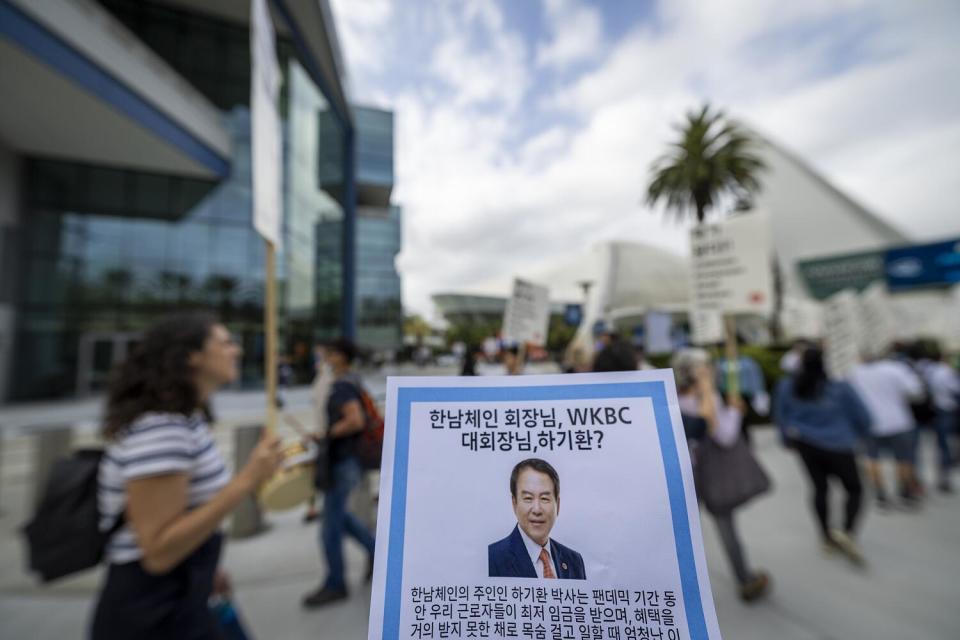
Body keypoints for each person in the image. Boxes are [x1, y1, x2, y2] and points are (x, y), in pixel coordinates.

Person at [92, 312, 283, 640]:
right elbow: (158, 551)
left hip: (186, 592)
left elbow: (182, 519)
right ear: (191, 356)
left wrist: (206, 568)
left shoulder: (185, 421)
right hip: (153, 613)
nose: (235, 350)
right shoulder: (163, 430)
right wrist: (247, 480)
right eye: (224, 342)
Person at [672, 348, 770, 602]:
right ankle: (744, 580)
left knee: (679, 533)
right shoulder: (707, 397)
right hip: (709, 471)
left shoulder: (671, 397)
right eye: (706, 366)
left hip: (682, 473)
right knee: (726, 528)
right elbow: (724, 436)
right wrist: (736, 411)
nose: (712, 369)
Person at [774, 347, 871, 565]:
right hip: (840, 445)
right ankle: (847, 531)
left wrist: (785, 440)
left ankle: (826, 536)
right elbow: (864, 417)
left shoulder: (787, 386)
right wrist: (859, 436)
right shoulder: (840, 387)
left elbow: (780, 416)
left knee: (820, 489)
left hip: (806, 444)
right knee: (854, 489)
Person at [303, 338, 376, 608]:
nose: (326, 357)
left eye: (331, 354)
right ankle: (377, 552)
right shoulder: (351, 380)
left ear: (342, 357)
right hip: (348, 460)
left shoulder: (343, 385)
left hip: (343, 461)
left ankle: (336, 583)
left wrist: (326, 434)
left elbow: (354, 420)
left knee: (329, 528)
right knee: (340, 517)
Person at [488, 458, 586, 580]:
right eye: (528, 498)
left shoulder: (574, 561)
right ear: (514, 503)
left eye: (545, 498)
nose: (537, 510)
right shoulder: (491, 558)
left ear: (558, 505)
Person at [850, 353, 925, 507]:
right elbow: (916, 392)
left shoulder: (856, 372)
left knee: (872, 458)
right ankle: (905, 492)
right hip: (899, 421)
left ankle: (880, 494)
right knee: (904, 458)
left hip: (870, 423)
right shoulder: (896, 369)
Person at [918, 342, 960, 492]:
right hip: (946, 410)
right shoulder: (945, 372)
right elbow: (955, 390)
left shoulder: (930, 371)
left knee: (940, 445)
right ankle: (945, 478)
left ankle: (942, 475)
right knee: (945, 446)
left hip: (935, 410)